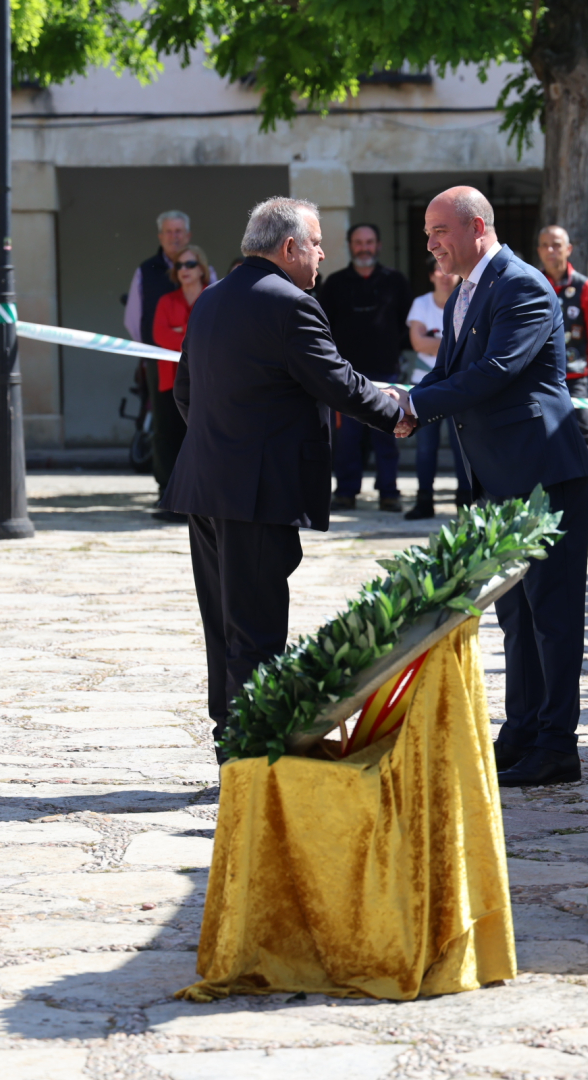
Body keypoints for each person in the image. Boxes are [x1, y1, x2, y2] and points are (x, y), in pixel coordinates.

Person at [162, 197, 404, 757]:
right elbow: (336, 382)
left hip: (206, 484)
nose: (322, 255)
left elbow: (185, 393)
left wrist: (224, 445)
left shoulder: (212, 297)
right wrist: (397, 413)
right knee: (257, 629)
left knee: (224, 626)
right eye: (316, 244)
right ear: (290, 247)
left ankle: (232, 738)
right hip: (256, 491)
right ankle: (256, 754)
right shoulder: (292, 304)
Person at [392, 186, 588, 788]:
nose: (431, 244)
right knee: (515, 615)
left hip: (542, 475)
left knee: (552, 616)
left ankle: (557, 743)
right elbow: (448, 372)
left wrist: (413, 405)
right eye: (427, 233)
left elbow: (496, 370)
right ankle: (523, 730)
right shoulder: (463, 293)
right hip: (496, 480)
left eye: (440, 231)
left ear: (477, 227)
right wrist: (404, 404)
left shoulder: (522, 284)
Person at [318, 223, 410, 513]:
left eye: (369, 242)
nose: (364, 248)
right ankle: (345, 493)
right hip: (346, 376)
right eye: (358, 242)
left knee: (388, 435)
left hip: (386, 372)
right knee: (347, 439)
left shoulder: (395, 281)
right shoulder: (335, 283)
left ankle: (389, 493)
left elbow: (406, 324)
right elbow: (323, 328)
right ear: (350, 245)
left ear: (378, 245)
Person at [536, 224, 588, 532]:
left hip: (574, 377)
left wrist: (580, 365)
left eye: (556, 244)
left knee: (586, 439)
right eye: (544, 245)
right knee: (540, 441)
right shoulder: (532, 283)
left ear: (568, 249)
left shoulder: (584, 286)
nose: (550, 250)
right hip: (538, 378)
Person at [403, 255, 471, 520]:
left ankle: (465, 501)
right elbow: (418, 344)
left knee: (462, 445)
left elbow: (429, 342)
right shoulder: (420, 304)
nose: (444, 276)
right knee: (425, 447)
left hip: (456, 384)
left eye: (448, 272)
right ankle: (424, 501)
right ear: (432, 275)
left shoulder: (465, 301)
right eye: (438, 271)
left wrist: (435, 344)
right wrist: (453, 346)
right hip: (424, 383)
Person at [150, 245, 211, 520]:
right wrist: (190, 336)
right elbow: (160, 335)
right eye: (179, 266)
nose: (184, 270)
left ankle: (201, 498)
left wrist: (181, 334)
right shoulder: (166, 301)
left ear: (201, 268)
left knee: (201, 438)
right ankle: (171, 496)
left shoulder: (212, 297)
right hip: (170, 379)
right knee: (168, 436)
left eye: (190, 264)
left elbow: (212, 333)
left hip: (206, 380)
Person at [124, 211, 190, 346]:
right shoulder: (145, 270)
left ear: (188, 236)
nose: (174, 237)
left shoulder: (202, 269)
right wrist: (147, 349)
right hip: (155, 353)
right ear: (160, 237)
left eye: (178, 231)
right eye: (168, 232)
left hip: (194, 353)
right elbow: (132, 319)